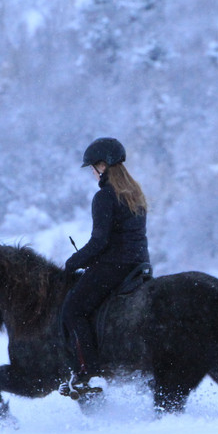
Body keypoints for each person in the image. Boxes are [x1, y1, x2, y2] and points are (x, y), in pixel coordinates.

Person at [61, 137, 150, 394]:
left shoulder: (105, 196)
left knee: (73, 310)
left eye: (93, 167)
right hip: (139, 265)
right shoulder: (135, 194)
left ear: (103, 165)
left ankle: (88, 374)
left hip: (114, 266)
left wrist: (73, 262)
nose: (92, 172)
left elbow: (99, 241)